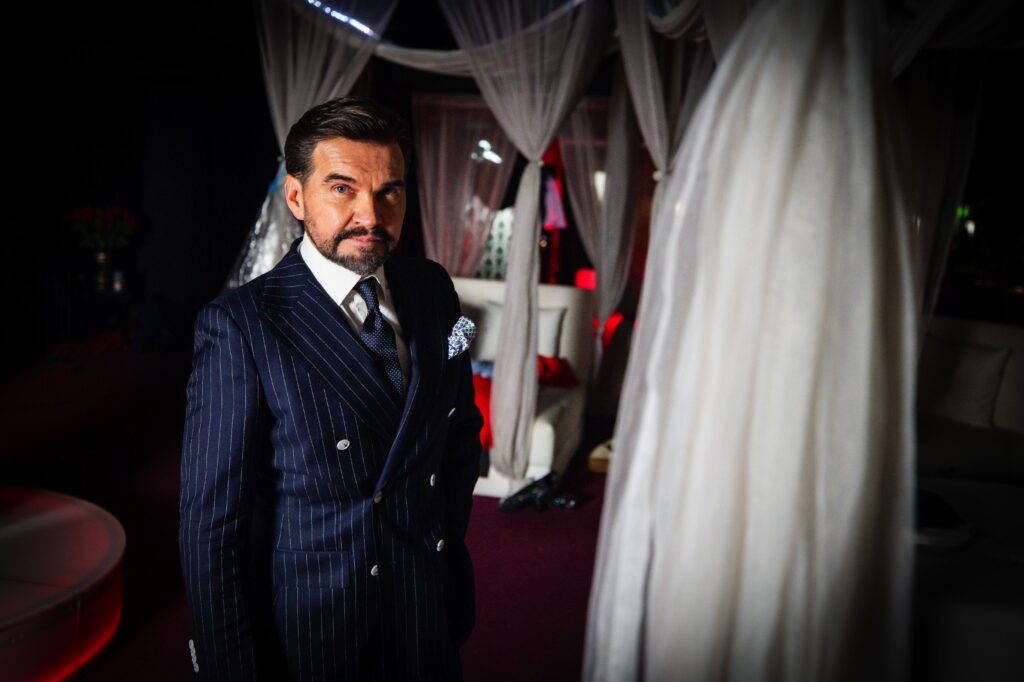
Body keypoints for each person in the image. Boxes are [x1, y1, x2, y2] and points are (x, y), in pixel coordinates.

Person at [178, 97, 483, 681]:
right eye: (342, 188)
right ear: (296, 197)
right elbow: (211, 527)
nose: (371, 214)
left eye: (390, 191)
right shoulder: (241, 325)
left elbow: (458, 435)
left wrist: (438, 547)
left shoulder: (431, 288)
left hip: (427, 609)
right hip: (317, 628)